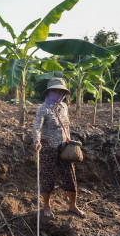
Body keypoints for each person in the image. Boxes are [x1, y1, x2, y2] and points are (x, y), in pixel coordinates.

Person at [32, 77, 85, 219]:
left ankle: (73, 205)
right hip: (48, 147)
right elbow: (37, 127)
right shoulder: (43, 108)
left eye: (60, 91)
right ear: (49, 92)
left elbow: (66, 125)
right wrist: (37, 141)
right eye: (55, 90)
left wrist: (69, 139)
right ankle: (46, 205)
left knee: (70, 176)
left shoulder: (64, 107)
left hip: (64, 148)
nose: (58, 93)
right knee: (48, 177)